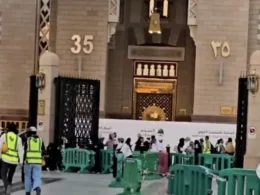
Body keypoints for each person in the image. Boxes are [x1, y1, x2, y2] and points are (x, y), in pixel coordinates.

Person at [0, 123, 24, 195]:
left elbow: (0, 147)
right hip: (14, 161)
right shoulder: (18, 139)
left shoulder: (4, 136)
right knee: (10, 176)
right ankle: (8, 191)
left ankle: (7, 186)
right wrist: (21, 161)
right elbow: (21, 150)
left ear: (8, 129)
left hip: (5, 159)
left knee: (3, 174)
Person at [23, 126, 45, 195]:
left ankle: (28, 192)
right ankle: (37, 187)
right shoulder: (40, 140)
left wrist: (23, 160)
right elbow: (43, 151)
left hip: (28, 162)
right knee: (37, 177)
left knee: (28, 177)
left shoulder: (28, 140)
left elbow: (25, 151)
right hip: (38, 162)